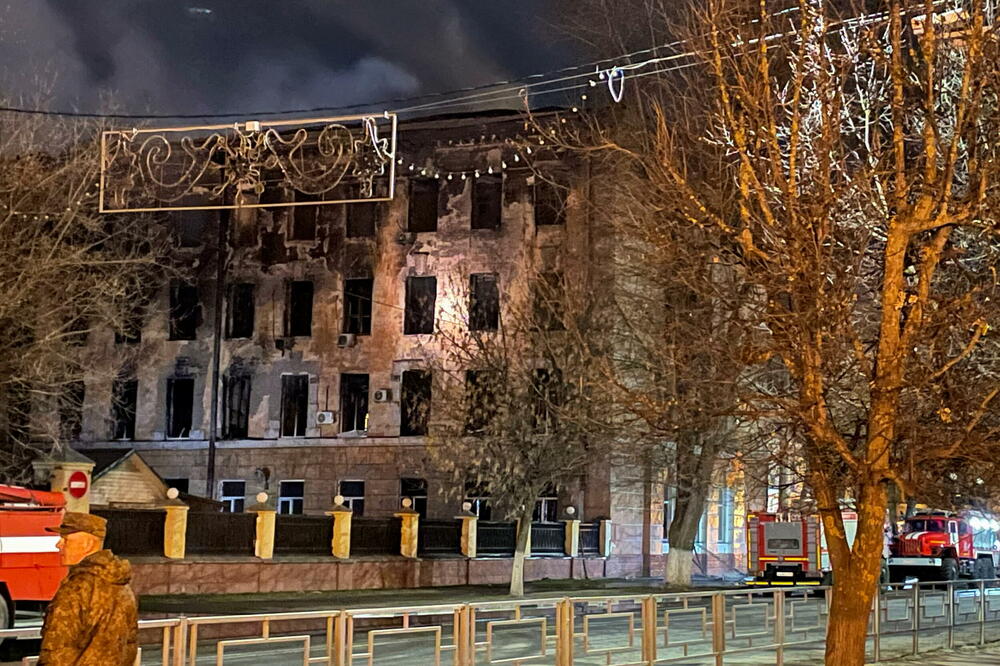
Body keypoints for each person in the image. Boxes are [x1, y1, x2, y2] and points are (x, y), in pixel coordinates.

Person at [38, 512, 138, 666]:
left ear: (87, 544)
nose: (59, 545)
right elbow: (130, 645)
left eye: (65, 539)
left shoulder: (77, 587)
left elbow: (57, 649)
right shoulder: (121, 585)